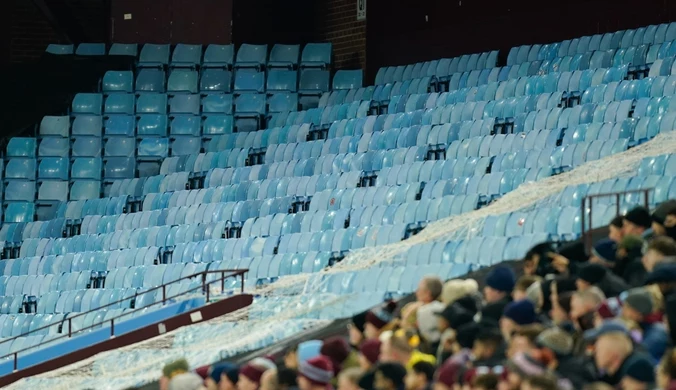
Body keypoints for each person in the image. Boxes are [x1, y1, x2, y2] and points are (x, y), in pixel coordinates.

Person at [620, 287, 668, 363]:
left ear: (637, 312)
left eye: (627, 308)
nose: (623, 311)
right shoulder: (638, 327)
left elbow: (639, 357)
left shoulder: (657, 333)